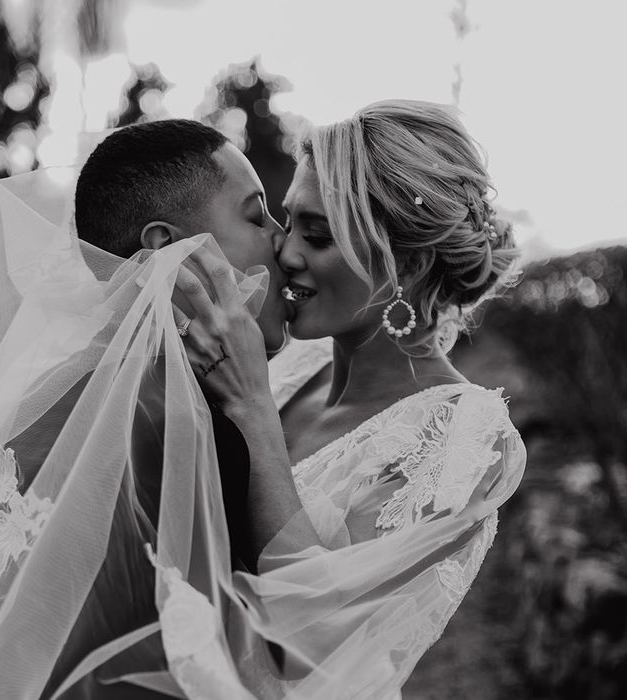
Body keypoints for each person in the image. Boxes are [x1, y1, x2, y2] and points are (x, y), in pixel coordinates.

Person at [0, 119, 289, 698]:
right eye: (256, 216)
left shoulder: (52, 397)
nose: (280, 239)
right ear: (166, 250)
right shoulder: (177, 419)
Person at [169, 99, 526, 698]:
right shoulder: (292, 365)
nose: (285, 254)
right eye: (287, 224)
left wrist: (253, 412)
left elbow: (318, 640)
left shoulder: (464, 435)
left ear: (406, 263)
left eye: (317, 235)